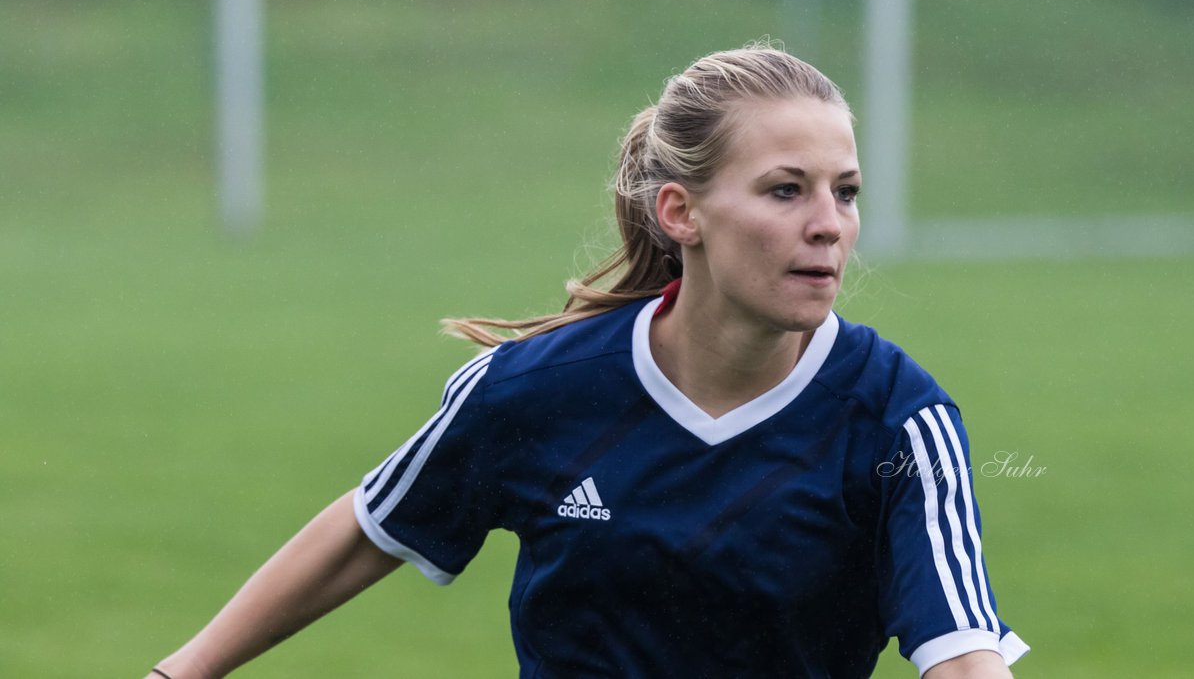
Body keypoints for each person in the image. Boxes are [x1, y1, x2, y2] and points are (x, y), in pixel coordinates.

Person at [146, 46, 1028, 679]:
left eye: (846, 191)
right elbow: (373, 525)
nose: (829, 223)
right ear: (682, 213)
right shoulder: (539, 391)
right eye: (785, 189)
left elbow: (960, 652)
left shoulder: (896, 420)